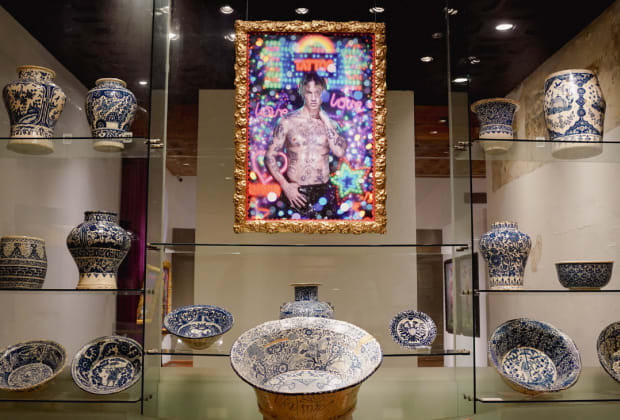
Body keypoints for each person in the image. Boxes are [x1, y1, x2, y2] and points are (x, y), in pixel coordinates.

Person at [265, 72, 347, 219]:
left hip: (324, 191)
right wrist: (285, 185)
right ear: (303, 92)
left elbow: (339, 152)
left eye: (318, 93)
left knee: (328, 233)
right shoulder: (288, 121)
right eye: (309, 93)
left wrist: (326, 122)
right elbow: (269, 156)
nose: (314, 98)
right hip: (295, 191)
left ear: (323, 93)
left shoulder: (332, 125)